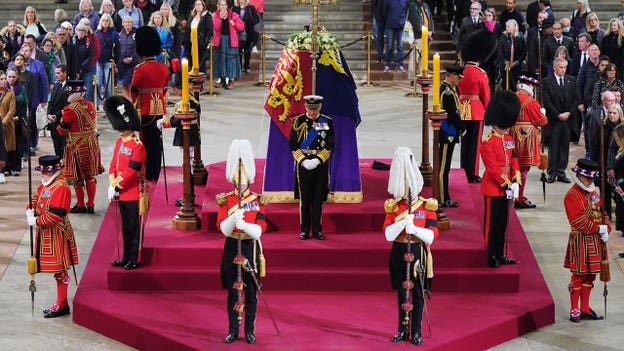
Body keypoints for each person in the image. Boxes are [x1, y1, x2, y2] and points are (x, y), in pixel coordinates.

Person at [384, 146, 438, 345]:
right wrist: (401, 224)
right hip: (399, 249)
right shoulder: (394, 205)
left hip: (417, 251)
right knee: (401, 292)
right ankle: (401, 329)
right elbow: (388, 235)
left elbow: (431, 237)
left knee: (416, 294)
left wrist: (414, 229)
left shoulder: (426, 205)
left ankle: (416, 332)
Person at [216, 139, 267, 344]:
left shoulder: (257, 200)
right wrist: (232, 219)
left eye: (243, 180)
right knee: (232, 292)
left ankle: (250, 330)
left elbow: (261, 230)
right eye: (237, 181)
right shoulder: (226, 200)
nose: (239, 184)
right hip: (231, 246)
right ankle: (232, 330)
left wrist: (245, 225)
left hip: (249, 246)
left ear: (249, 180)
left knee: (251, 293)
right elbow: (222, 228)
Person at [26, 155, 79, 318]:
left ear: (55, 171)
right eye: (41, 171)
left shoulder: (61, 187)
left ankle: (62, 304)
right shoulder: (46, 185)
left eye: (46, 172)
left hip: (58, 234)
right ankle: (62, 303)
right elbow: (38, 198)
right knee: (58, 271)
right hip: (46, 233)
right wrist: (30, 208)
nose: (43, 175)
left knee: (61, 270)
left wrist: (35, 220)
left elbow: (56, 215)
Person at [564, 158, 610, 323]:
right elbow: (577, 222)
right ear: (579, 175)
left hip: (595, 242)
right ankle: (574, 309)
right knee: (578, 276)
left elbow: (602, 212)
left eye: (592, 178)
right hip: (581, 241)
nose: (590, 180)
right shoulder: (572, 195)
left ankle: (584, 308)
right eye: (587, 178)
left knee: (590, 276)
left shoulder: (594, 192)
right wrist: (598, 228)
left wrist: (607, 229)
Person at [104, 96, 146, 271]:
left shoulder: (138, 146)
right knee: (124, 228)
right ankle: (125, 256)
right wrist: (111, 182)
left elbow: (131, 171)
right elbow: (114, 164)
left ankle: (133, 258)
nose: (119, 131)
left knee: (132, 228)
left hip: (132, 192)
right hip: (121, 191)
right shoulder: (119, 142)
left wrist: (117, 185)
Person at [480, 90, 521, 268]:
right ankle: (491, 256)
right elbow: (493, 169)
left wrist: (517, 180)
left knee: (502, 223)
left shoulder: (508, 138)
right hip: (493, 188)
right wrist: (508, 184)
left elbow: (513, 159)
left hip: (507, 188)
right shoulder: (487, 143)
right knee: (492, 225)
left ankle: (499, 253)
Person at [289, 95, 334, 240]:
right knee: (305, 198)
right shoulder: (298, 121)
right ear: (305, 107)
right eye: (310, 108)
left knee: (317, 198)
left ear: (319, 107)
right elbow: (293, 145)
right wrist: (302, 160)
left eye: (315, 109)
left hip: (319, 164)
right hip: (303, 164)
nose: (312, 112)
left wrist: (318, 159)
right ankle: (304, 230)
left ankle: (317, 230)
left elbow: (330, 145)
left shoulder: (326, 122)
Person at [130, 26, 170, 183]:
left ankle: (148, 173)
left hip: (145, 109)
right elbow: (164, 89)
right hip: (159, 107)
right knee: (157, 141)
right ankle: (156, 171)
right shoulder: (163, 68)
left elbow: (134, 90)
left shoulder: (140, 68)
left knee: (145, 142)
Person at [56, 80, 102, 214]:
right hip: (91, 143)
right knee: (90, 176)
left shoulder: (69, 109)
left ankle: (81, 204)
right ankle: (91, 204)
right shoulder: (91, 105)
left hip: (76, 145)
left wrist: (57, 124)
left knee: (77, 177)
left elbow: (62, 130)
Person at [458, 29, 496, 183]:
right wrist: (489, 110)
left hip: (463, 108)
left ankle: (463, 169)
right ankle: (472, 173)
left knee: (465, 143)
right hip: (476, 111)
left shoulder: (461, 71)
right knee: (475, 145)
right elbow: (486, 96)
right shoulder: (480, 73)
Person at [542, 58, 581, 183]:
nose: (563, 69)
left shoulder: (572, 80)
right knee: (553, 147)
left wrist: (568, 113)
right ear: (554, 67)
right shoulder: (547, 82)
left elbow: (576, 98)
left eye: (565, 67)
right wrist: (558, 114)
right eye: (560, 67)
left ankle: (561, 171)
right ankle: (551, 172)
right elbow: (547, 101)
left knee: (564, 146)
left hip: (567, 120)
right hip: (554, 120)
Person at [512, 74, 548, 209]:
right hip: (526, 139)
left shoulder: (512, 97)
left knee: (513, 166)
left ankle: (515, 194)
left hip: (511, 135)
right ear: (530, 86)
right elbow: (541, 121)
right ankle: (519, 197)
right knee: (523, 168)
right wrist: (543, 113)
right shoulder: (530, 101)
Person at [438, 65, 465, 207]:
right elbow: (452, 114)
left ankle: (445, 196)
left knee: (446, 166)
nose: (460, 80)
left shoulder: (448, 89)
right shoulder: (447, 92)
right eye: (458, 77)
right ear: (452, 75)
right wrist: (462, 127)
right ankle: (442, 198)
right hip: (448, 132)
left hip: (450, 132)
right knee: (443, 167)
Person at [212, 0, 244, 89]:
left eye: (224, 5)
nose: (222, 6)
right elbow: (215, 27)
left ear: (227, 6)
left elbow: (241, 26)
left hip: (230, 41)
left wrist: (234, 23)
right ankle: (220, 79)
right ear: (218, 6)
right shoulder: (215, 15)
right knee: (219, 60)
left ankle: (231, 80)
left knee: (231, 60)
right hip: (220, 41)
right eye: (220, 5)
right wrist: (220, 18)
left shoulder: (233, 15)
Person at [5, 67, 27, 176]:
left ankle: (16, 167)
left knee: (18, 144)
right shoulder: (3, 89)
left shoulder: (22, 89)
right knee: (7, 144)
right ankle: (7, 167)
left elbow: (25, 105)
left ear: (17, 77)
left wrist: (18, 117)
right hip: (6, 121)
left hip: (18, 120)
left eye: (14, 77)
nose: (11, 79)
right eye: (9, 77)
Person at [94, 14, 120, 104]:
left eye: (107, 21)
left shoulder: (114, 33)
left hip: (109, 61)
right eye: (103, 20)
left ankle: (109, 104)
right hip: (98, 61)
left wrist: (117, 64)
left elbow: (118, 49)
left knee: (109, 84)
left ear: (110, 22)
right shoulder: (96, 33)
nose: (105, 22)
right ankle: (96, 104)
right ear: (101, 22)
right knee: (98, 83)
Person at [185, 0, 213, 76]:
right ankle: (194, 80)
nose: (197, 6)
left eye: (199, 4)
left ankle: (201, 82)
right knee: (192, 61)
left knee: (201, 63)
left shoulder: (207, 16)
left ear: (203, 6)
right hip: (191, 42)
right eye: (196, 4)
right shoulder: (191, 16)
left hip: (201, 43)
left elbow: (209, 31)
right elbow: (188, 29)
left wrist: (205, 43)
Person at [496, 19, 525, 91]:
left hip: (517, 65)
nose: (506, 28)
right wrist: (506, 62)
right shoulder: (503, 38)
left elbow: (524, 52)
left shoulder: (520, 38)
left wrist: (516, 62)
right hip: (505, 65)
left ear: (514, 27)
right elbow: (499, 52)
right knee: (506, 83)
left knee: (515, 82)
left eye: (508, 26)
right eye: (506, 26)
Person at [47, 65, 69, 158]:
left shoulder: (70, 87)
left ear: (65, 73)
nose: (56, 75)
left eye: (58, 73)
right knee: (56, 144)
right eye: (55, 73)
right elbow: (51, 101)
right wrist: (48, 114)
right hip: (53, 121)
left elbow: (69, 106)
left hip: (63, 120)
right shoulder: (56, 85)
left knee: (63, 146)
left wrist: (57, 115)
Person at [406, 0, 433, 77]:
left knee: (423, 59)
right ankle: (412, 78)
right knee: (414, 58)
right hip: (417, 37)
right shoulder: (413, 6)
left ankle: (423, 77)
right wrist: (425, 33)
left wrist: (431, 31)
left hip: (426, 37)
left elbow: (430, 19)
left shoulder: (425, 5)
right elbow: (415, 23)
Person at [233, 0, 260, 73]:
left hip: (249, 32)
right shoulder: (234, 9)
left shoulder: (251, 8)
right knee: (238, 51)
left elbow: (255, 20)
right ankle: (239, 67)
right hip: (238, 33)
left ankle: (247, 67)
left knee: (247, 50)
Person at [383, 0, 407, 73]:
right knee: (389, 46)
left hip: (401, 26)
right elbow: (385, 12)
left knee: (400, 46)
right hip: (390, 25)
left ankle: (400, 65)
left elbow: (406, 12)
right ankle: (387, 64)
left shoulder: (404, 1)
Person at [0, 70, 16, 179]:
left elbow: (12, 109)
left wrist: (3, 122)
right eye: (1, 79)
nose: (4, 81)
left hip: (6, 124)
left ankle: (5, 169)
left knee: (6, 146)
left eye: (5, 79)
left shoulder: (10, 92)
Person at [117, 16, 138, 101]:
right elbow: (117, 49)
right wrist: (122, 59)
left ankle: (133, 101)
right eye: (126, 22)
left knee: (132, 83)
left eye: (129, 22)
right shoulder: (119, 35)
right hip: (122, 63)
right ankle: (128, 101)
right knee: (125, 84)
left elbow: (138, 48)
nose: (127, 24)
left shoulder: (136, 34)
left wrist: (132, 58)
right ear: (123, 24)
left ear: (132, 24)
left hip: (133, 62)